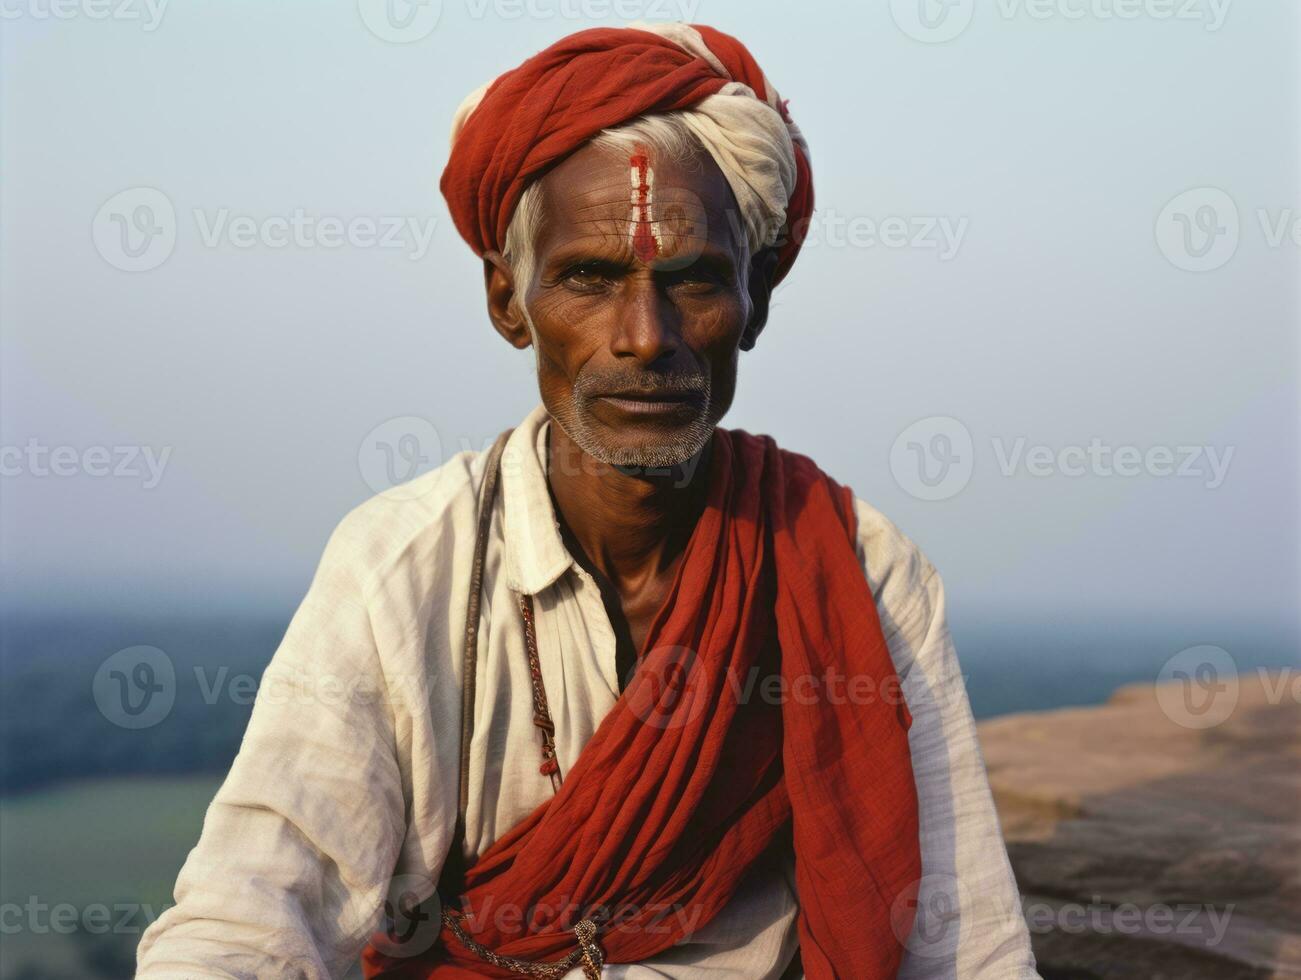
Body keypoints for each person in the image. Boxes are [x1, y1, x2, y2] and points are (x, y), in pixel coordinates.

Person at [135, 21, 1038, 979]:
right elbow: (249, 915)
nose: (645, 337)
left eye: (693, 281)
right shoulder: (405, 566)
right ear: (507, 303)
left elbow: (961, 938)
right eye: (589, 279)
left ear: (756, 301)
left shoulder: (851, 564)